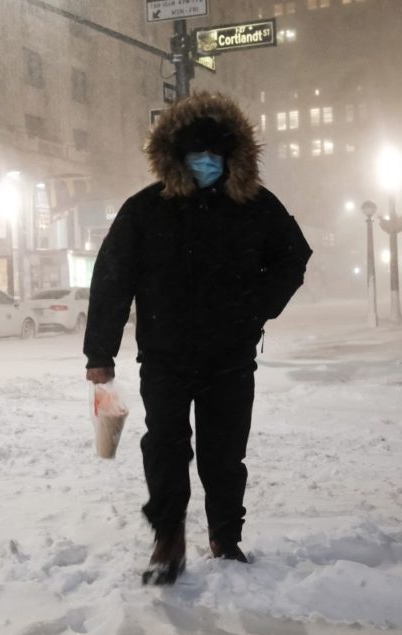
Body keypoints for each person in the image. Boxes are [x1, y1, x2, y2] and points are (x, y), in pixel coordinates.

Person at [82, 92, 312, 585]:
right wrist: (99, 352)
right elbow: (112, 278)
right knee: (165, 446)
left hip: (230, 358)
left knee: (224, 452)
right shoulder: (145, 210)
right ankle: (168, 539)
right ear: (175, 155)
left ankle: (225, 538)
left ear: (233, 155)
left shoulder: (255, 207)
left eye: (216, 152)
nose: (206, 162)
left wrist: (256, 308)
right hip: (164, 358)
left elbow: (294, 257)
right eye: (195, 152)